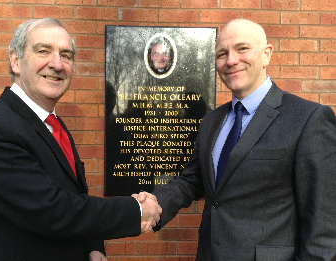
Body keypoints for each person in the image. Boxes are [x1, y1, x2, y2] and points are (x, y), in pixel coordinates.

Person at [137, 18, 336, 260]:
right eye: (222, 53)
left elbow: (323, 226)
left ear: (266, 54)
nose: (231, 60)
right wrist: (155, 203)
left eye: (242, 49)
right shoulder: (211, 121)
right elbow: (192, 180)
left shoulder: (308, 119)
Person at [0, 18, 161, 261]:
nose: (57, 64)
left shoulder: (51, 124)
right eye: (43, 51)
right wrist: (136, 210)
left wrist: (93, 245)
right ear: (16, 60)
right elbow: (49, 210)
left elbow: (75, 195)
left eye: (66, 55)